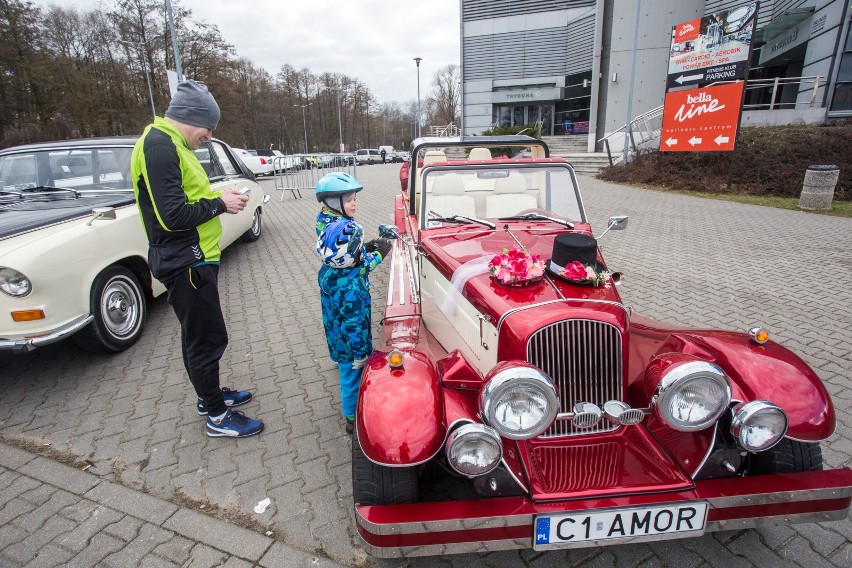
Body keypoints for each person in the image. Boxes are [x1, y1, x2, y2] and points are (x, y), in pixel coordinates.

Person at [131, 80, 264, 438]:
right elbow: (172, 216)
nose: (210, 135)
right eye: (209, 127)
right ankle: (218, 418)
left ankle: (209, 397)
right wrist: (221, 204)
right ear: (192, 117)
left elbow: (184, 198)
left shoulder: (170, 144)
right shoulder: (160, 147)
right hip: (185, 259)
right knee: (206, 337)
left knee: (200, 334)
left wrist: (219, 196)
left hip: (194, 256)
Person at [314, 172, 392, 433]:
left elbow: (347, 255)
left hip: (336, 336)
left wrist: (366, 245)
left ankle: (342, 361)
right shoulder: (352, 289)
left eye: (354, 198)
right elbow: (358, 269)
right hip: (351, 345)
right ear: (334, 202)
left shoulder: (326, 225)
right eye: (349, 199)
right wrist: (379, 253)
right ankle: (351, 417)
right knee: (351, 376)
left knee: (343, 364)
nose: (354, 203)